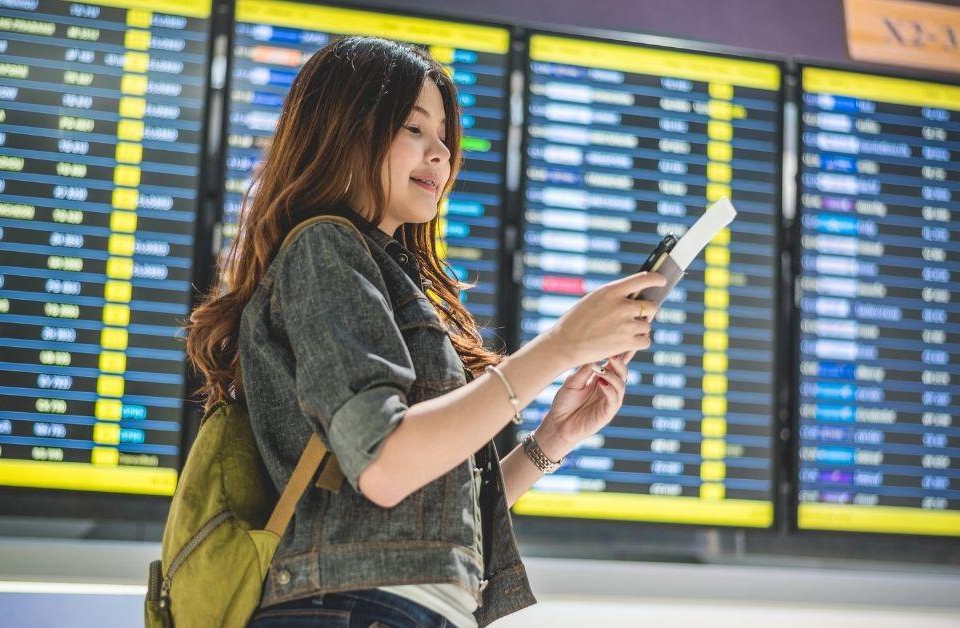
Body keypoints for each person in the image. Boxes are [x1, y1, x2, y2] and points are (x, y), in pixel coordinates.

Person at [186, 36, 663, 628]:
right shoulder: (324, 247)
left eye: (444, 136)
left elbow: (420, 520)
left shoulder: (377, 267)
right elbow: (387, 465)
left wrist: (550, 441)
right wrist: (560, 346)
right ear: (346, 129)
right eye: (415, 129)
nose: (441, 153)